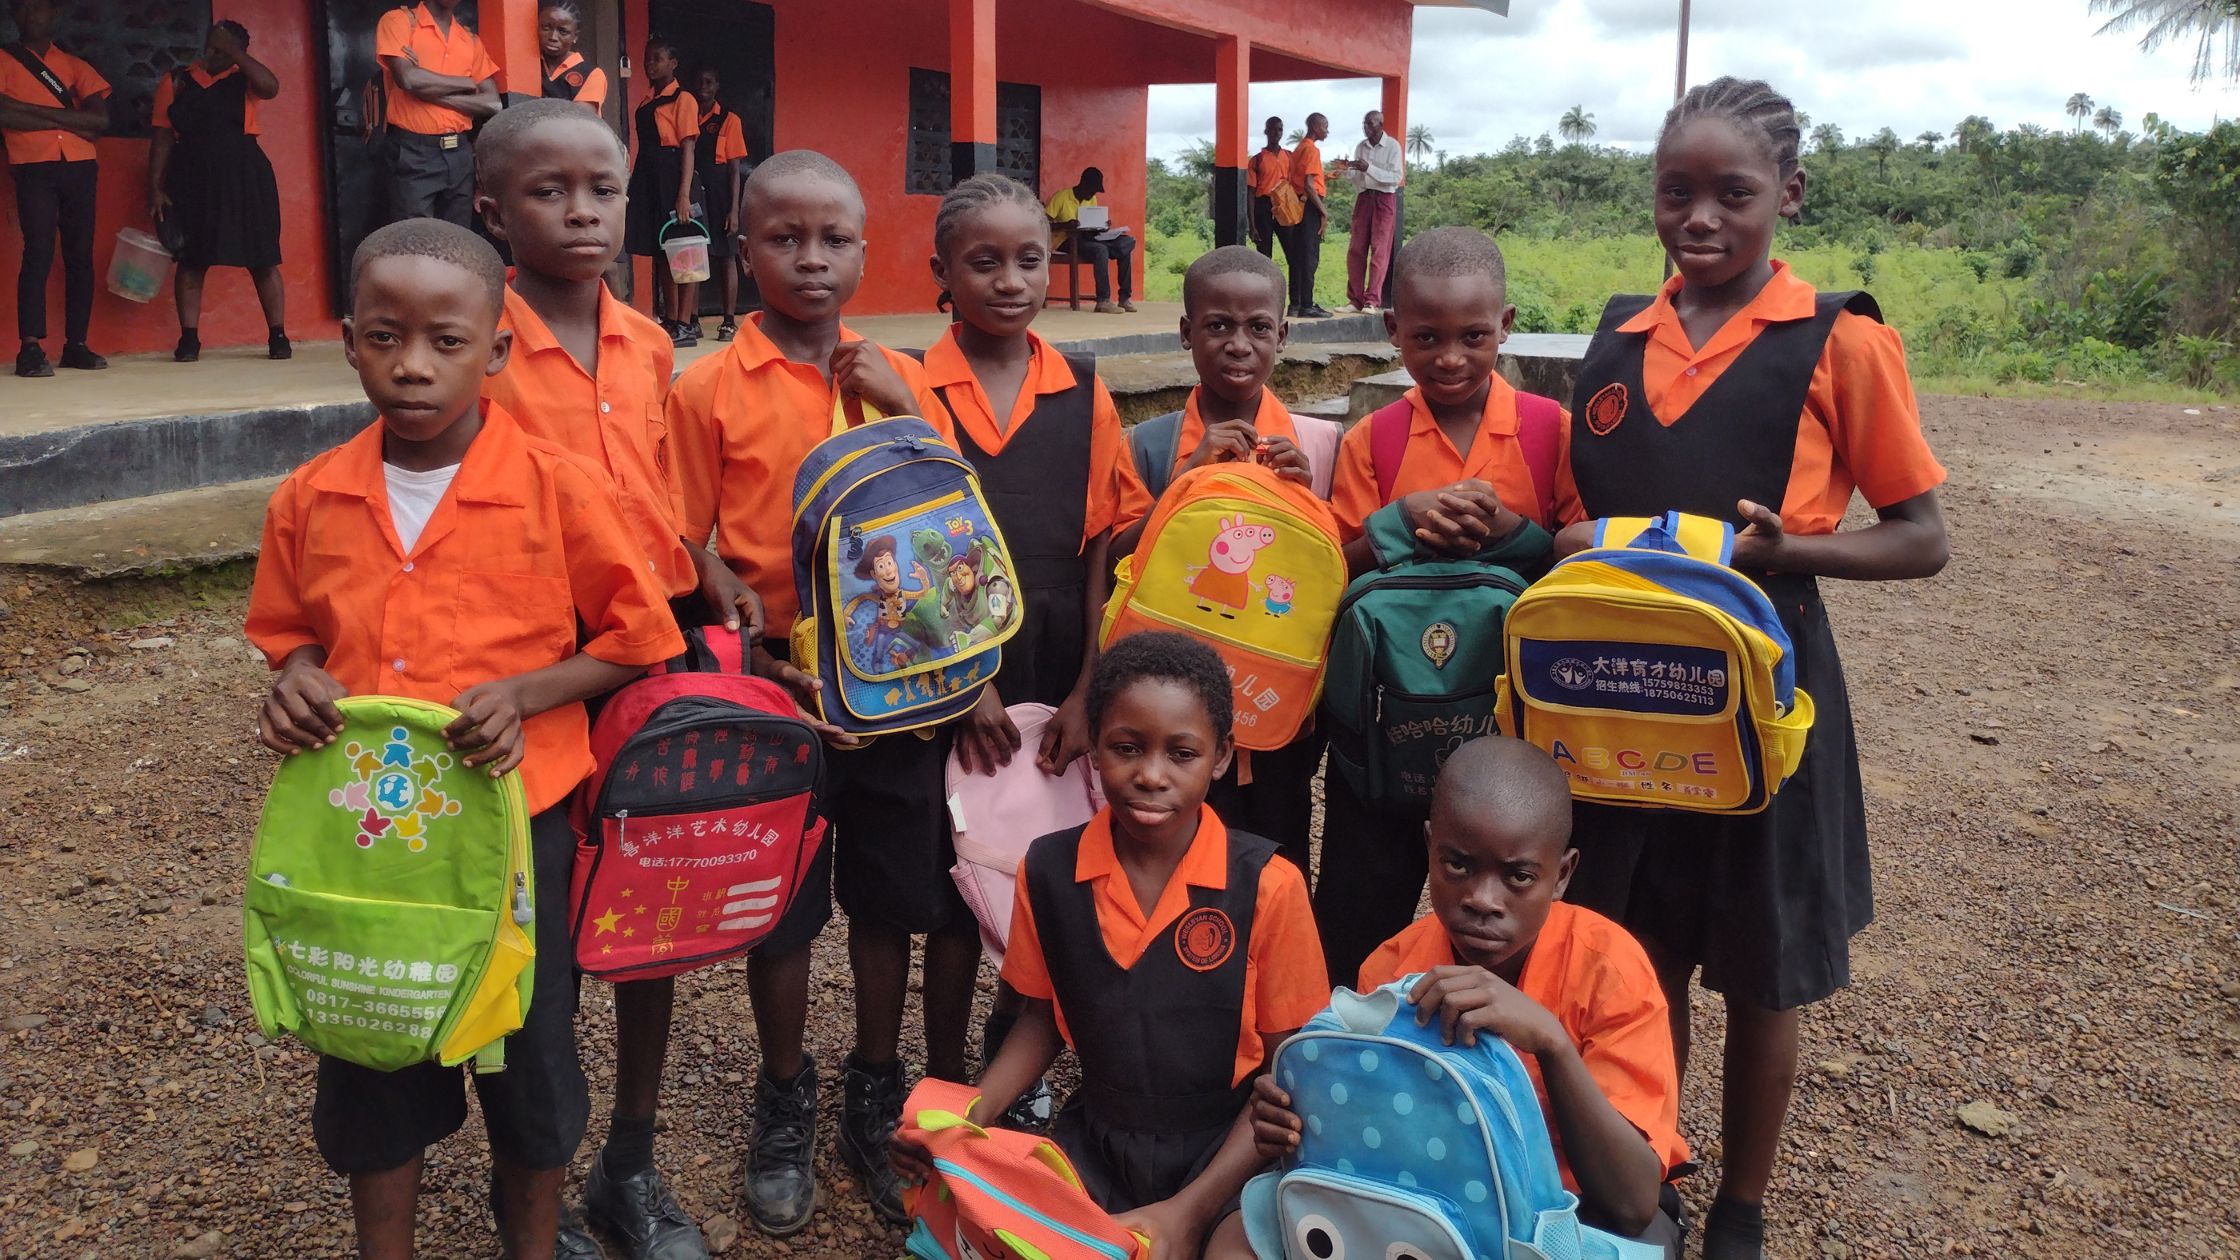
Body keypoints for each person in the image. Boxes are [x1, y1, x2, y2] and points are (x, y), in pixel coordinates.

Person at [1551, 77, 1950, 1260]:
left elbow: (1921, 536)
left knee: (1763, 966)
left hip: (1763, 696)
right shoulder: (1620, 334)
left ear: (1788, 192)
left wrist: (1791, 549)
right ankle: (1653, 1178)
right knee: (1643, 947)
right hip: (1617, 692)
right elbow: (1578, 505)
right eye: (1676, 193)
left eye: (1733, 194)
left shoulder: (1839, 340)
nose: (1700, 220)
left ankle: (1741, 1208)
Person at [245, 218, 683, 1260]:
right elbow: (289, 636)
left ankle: (531, 1237)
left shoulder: (555, 486)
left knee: (529, 1063)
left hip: (513, 832)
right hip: (369, 838)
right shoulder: (310, 497)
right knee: (371, 1049)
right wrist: (298, 682)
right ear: (349, 341)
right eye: (386, 338)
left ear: (494, 350)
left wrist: (528, 692)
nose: (412, 366)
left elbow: (637, 638)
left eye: (447, 342)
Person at [476, 97, 767, 1260]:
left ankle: (629, 1167)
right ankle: (527, 1181)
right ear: (494, 213)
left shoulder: (648, 339)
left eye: (602, 188)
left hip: (652, 655)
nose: (584, 211)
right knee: (533, 939)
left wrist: (705, 566)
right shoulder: (472, 336)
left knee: (663, 901)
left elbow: (651, 492)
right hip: (540, 671)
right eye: (551, 193)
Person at [664, 149, 962, 1237]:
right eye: (784, 238)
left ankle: (874, 1090)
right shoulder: (707, 386)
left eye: (834, 239)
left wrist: (909, 418)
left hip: (894, 675)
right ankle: (783, 1095)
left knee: (890, 892)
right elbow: (677, 530)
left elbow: (944, 524)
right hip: (774, 671)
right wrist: (712, 576)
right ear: (742, 251)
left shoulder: (895, 372)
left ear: (865, 250)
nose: (810, 259)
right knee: (779, 901)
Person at [897, 630, 1331, 1258]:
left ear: (1220, 756)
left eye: (1181, 753)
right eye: (1128, 747)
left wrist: (1189, 1211)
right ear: (1094, 748)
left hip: (1231, 1153)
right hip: (1097, 1140)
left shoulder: (1268, 885)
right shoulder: (1047, 870)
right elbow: (1043, 1018)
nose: (1151, 775)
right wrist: (970, 1119)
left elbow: (1287, 1075)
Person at [1234, 737, 1689, 1256]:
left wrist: (1552, 1042)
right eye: (1457, 865)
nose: (1482, 899)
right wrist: (1291, 1125)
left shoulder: (1611, 971)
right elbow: (1364, 1143)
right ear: (1429, 847)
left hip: (1574, 1209)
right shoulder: (1392, 968)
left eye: (1518, 876)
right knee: (1238, 1234)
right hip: (1429, 1206)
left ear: (1561, 874)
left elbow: (1633, 1202)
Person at [921, 171, 1155, 1132]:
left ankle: (1008, 1058)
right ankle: (931, 1076)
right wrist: (961, 679)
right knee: (950, 870)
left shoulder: (1084, 387)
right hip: (942, 665)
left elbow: (1103, 539)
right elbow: (898, 544)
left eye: (1030, 258)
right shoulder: (913, 384)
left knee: (1042, 863)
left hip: (1056, 651)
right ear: (941, 273)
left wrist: (1087, 684)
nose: (1011, 280)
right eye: (985, 262)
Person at [1318, 226, 1565, 988]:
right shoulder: (1376, 439)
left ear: (1508, 326)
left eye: (1473, 336)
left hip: (1508, 725)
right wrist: (1403, 520)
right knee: (1360, 914)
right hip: (1388, 725)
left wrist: (1513, 535)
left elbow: (1576, 556)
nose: (1450, 357)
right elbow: (1332, 571)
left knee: (1504, 925)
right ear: (1393, 330)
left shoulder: (1547, 430)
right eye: (1425, 337)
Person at [1115, 246, 1328, 883]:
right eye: (1217, 326)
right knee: (1169, 853)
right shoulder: (1149, 445)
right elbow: (1117, 554)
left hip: (1274, 702)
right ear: (1186, 333)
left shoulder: (1319, 442)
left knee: (1271, 856)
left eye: (1258, 327)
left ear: (1282, 335)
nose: (1239, 344)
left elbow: (1329, 576)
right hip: (1165, 705)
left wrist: (1308, 500)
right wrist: (1187, 478)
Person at [148, 18, 287, 364]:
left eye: (226, 44)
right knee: (192, 259)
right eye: (215, 42)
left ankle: (278, 336)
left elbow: (271, 87)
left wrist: (236, 53)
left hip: (245, 175)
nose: (217, 49)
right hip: (192, 176)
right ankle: (189, 340)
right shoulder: (178, 80)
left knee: (263, 258)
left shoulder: (246, 80)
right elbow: (163, 137)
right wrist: (155, 187)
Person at [0, 0, 109, 377]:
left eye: (41, 9)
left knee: (80, 254)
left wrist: (34, 112)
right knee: (39, 251)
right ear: (15, 17)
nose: (35, 16)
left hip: (79, 165)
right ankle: (30, 348)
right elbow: (3, 113)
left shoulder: (75, 65)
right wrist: (68, 119)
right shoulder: (3, 60)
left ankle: (75, 345)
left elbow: (98, 119)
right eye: (26, 10)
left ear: (54, 16)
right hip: (33, 166)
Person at [374, 0, 501, 226]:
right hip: (414, 150)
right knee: (415, 239)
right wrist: (467, 83)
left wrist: (430, 92)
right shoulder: (400, 22)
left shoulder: (470, 40)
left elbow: (492, 104)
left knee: (456, 238)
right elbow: (408, 79)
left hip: (459, 154)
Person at [623, 38, 699, 346]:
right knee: (661, 252)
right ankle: (670, 318)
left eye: (658, 58)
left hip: (674, 176)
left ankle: (685, 322)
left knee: (685, 250)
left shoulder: (684, 99)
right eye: (647, 58)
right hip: (649, 176)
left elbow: (688, 149)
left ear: (673, 63)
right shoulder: (646, 100)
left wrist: (683, 195)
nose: (650, 64)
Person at [693, 65, 749, 341]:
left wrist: (734, 209)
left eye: (709, 81)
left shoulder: (729, 120)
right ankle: (689, 319)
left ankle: (728, 320)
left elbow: (734, 170)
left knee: (727, 257)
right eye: (700, 81)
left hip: (721, 195)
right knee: (692, 255)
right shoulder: (687, 115)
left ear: (717, 86)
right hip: (693, 193)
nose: (704, 86)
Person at [1332, 109, 1403, 313]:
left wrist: (1368, 168)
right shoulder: (1360, 147)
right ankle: (1355, 300)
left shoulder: (1392, 146)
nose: (1366, 127)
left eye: (1370, 124)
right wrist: (1347, 170)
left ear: (1381, 125)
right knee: (1356, 248)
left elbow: (1395, 177)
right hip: (1364, 198)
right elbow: (1357, 178)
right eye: (1364, 123)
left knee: (1380, 249)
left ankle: (1372, 300)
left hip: (1384, 199)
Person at [1046, 166, 1135, 314]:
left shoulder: (1092, 199)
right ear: (1083, 184)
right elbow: (1044, 223)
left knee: (1125, 246)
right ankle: (1103, 301)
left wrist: (1102, 226)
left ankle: (1124, 298)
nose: (1093, 193)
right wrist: (1066, 225)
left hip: (1089, 238)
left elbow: (1090, 225)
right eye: (1092, 189)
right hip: (1067, 241)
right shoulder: (1061, 197)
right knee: (1101, 250)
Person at [1281, 113, 1332, 320]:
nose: (1327, 131)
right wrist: (1323, 211)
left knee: (1298, 256)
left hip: (1298, 204)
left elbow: (1305, 178)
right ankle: (1307, 305)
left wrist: (1326, 177)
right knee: (1310, 256)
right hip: (1309, 205)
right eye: (1325, 126)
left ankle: (1295, 303)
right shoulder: (1312, 149)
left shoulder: (1299, 148)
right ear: (1315, 126)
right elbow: (1309, 185)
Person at [535, 1, 607, 112]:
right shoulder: (528, 65)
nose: (553, 37)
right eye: (546, 28)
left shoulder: (591, 74)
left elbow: (580, 120)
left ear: (575, 36)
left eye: (563, 32)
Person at [1246, 116, 1288, 260]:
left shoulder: (1289, 156)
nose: (1277, 133)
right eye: (1273, 129)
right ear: (1266, 131)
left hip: (1285, 205)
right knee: (1264, 255)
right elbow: (1250, 193)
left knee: (1293, 253)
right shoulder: (1256, 160)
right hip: (1263, 206)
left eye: (1280, 129)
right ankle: (1265, 283)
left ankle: (1293, 284)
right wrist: (1252, 225)